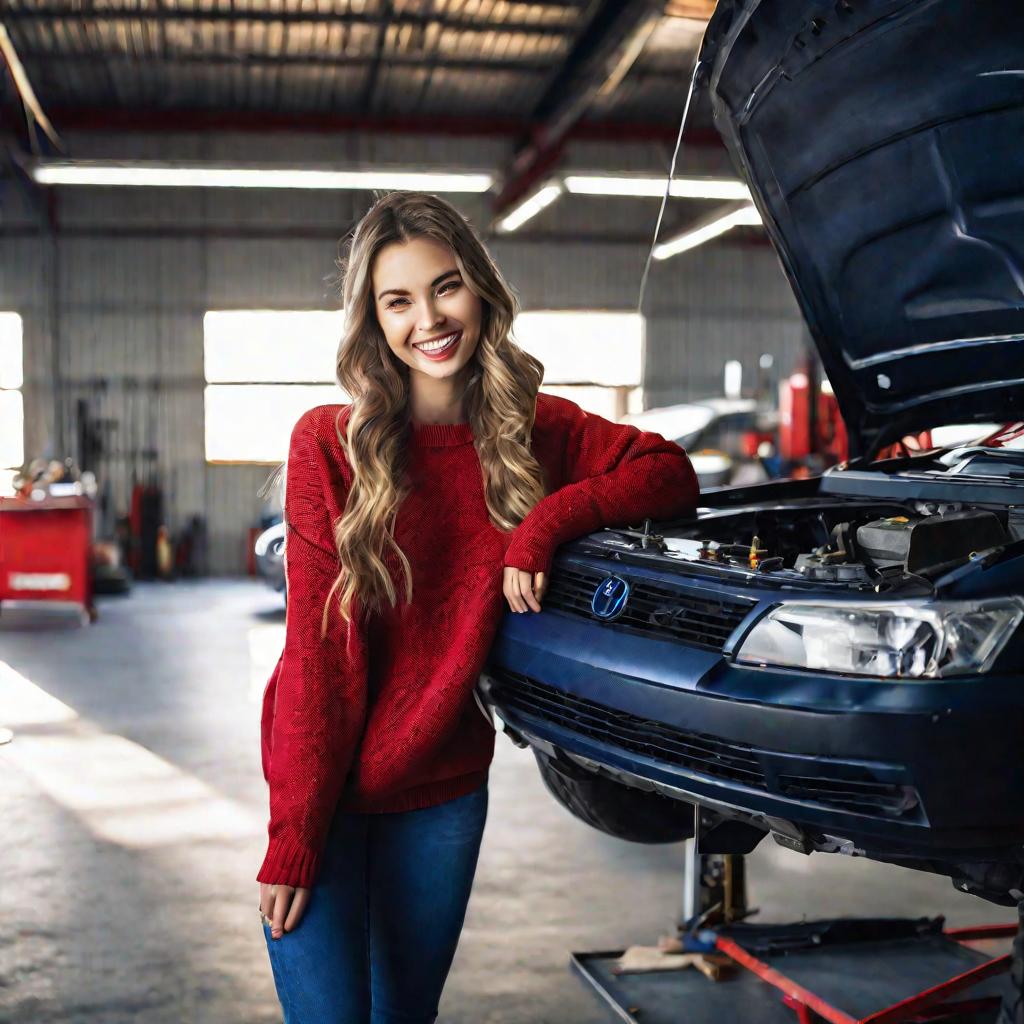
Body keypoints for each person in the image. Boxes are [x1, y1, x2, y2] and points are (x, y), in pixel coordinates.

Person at [256, 190, 700, 1023]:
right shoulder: (326, 441)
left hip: (442, 792)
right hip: (321, 785)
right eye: (398, 300)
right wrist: (295, 834)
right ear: (373, 319)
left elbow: (666, 470)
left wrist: (546, 520)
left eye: (446, 286)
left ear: (482, 290)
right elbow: (321, 656)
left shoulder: (533, 431)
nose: (428, 318)